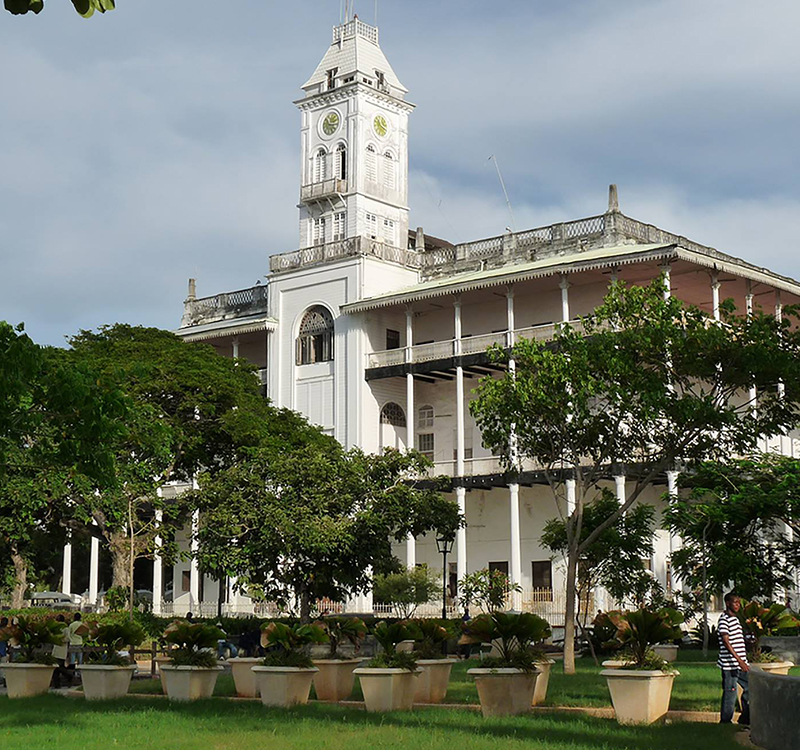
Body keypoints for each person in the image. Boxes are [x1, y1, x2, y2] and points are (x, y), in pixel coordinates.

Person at [718, 592, 750, 725]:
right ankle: (725, 721)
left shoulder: (735, 619)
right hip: (730, 664)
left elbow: (737, 639)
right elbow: (726, 640)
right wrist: (739, 660)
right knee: (730, 692)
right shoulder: (724, 619)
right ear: (728, 603)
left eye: (738, 603)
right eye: (735, 602)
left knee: (750, 688)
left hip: (741, 664)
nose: (737, 605)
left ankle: (745, 718)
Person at [52, 614, 70, 688]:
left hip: (62, 649)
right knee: (55, 668)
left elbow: (68, 638)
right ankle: (57, 684)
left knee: (60, 667)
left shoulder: (65, 628)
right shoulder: (55, 628)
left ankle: (69, 676)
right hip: (56, 650)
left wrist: (60, 640)